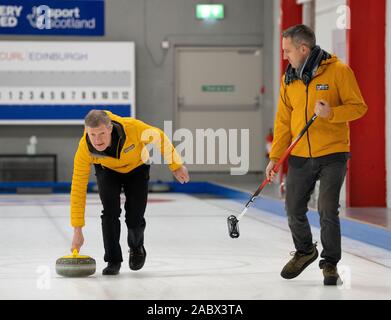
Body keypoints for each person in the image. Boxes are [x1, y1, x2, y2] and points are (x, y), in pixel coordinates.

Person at [266, 24, 367, 285]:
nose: (285, 55)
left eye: (288, 51)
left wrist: (332, 113)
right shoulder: (289, 79)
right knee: (292, 208)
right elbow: (282, 122)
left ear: (303, 48)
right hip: (300, 154)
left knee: (327, 208)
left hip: (333, 153)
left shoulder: (338, 71)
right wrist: (275, 158)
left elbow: (359, 107)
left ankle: (330, 264)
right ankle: (305, 251)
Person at [70, 109, 190, 275]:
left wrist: (176, 165)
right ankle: (113, 260)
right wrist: (77, 230)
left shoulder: (132, 128)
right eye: (92, 135)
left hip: (137, 167)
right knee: (110, 212)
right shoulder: (85, 148)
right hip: (107, 170)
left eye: (102, 134)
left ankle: (136, 246)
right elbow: (78, 187)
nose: (97, 140)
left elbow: (159, 137)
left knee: (135, 217)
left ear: (110, 129)